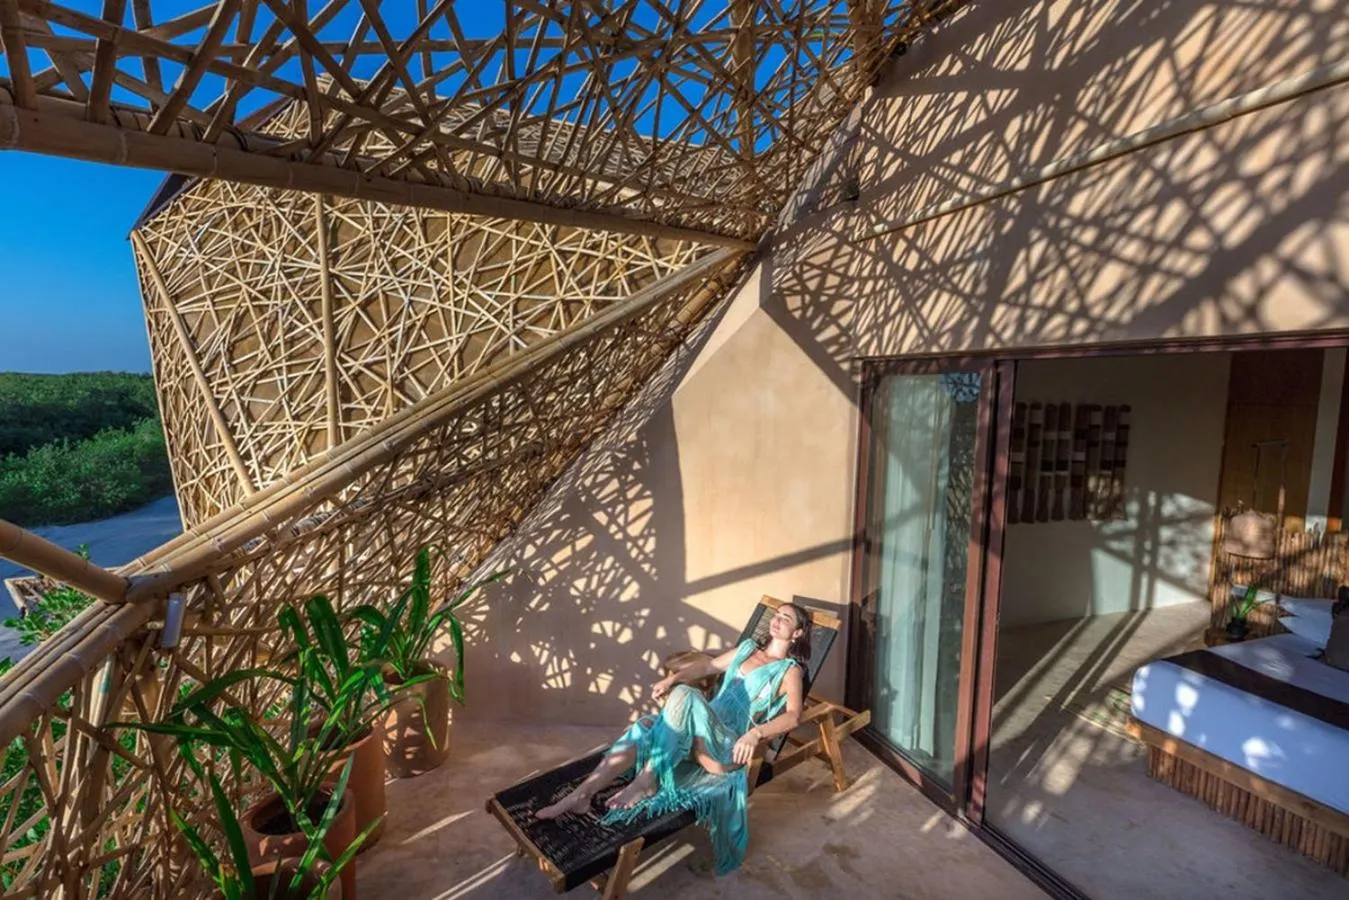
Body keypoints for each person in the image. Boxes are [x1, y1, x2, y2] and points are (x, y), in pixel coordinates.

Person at [534, 603, 812, 875]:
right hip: (701, 727)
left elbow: (794, 715)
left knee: (687, 695)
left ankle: (647, 781)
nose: (776, 620)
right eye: (776, 615)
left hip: (725, 743)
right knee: (644, 725)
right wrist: (671, 680)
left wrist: (756, 733)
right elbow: (708, 667)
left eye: (786, 618)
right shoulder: (747, 648)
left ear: (798, 633)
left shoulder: (789, 670)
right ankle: (581, 795)